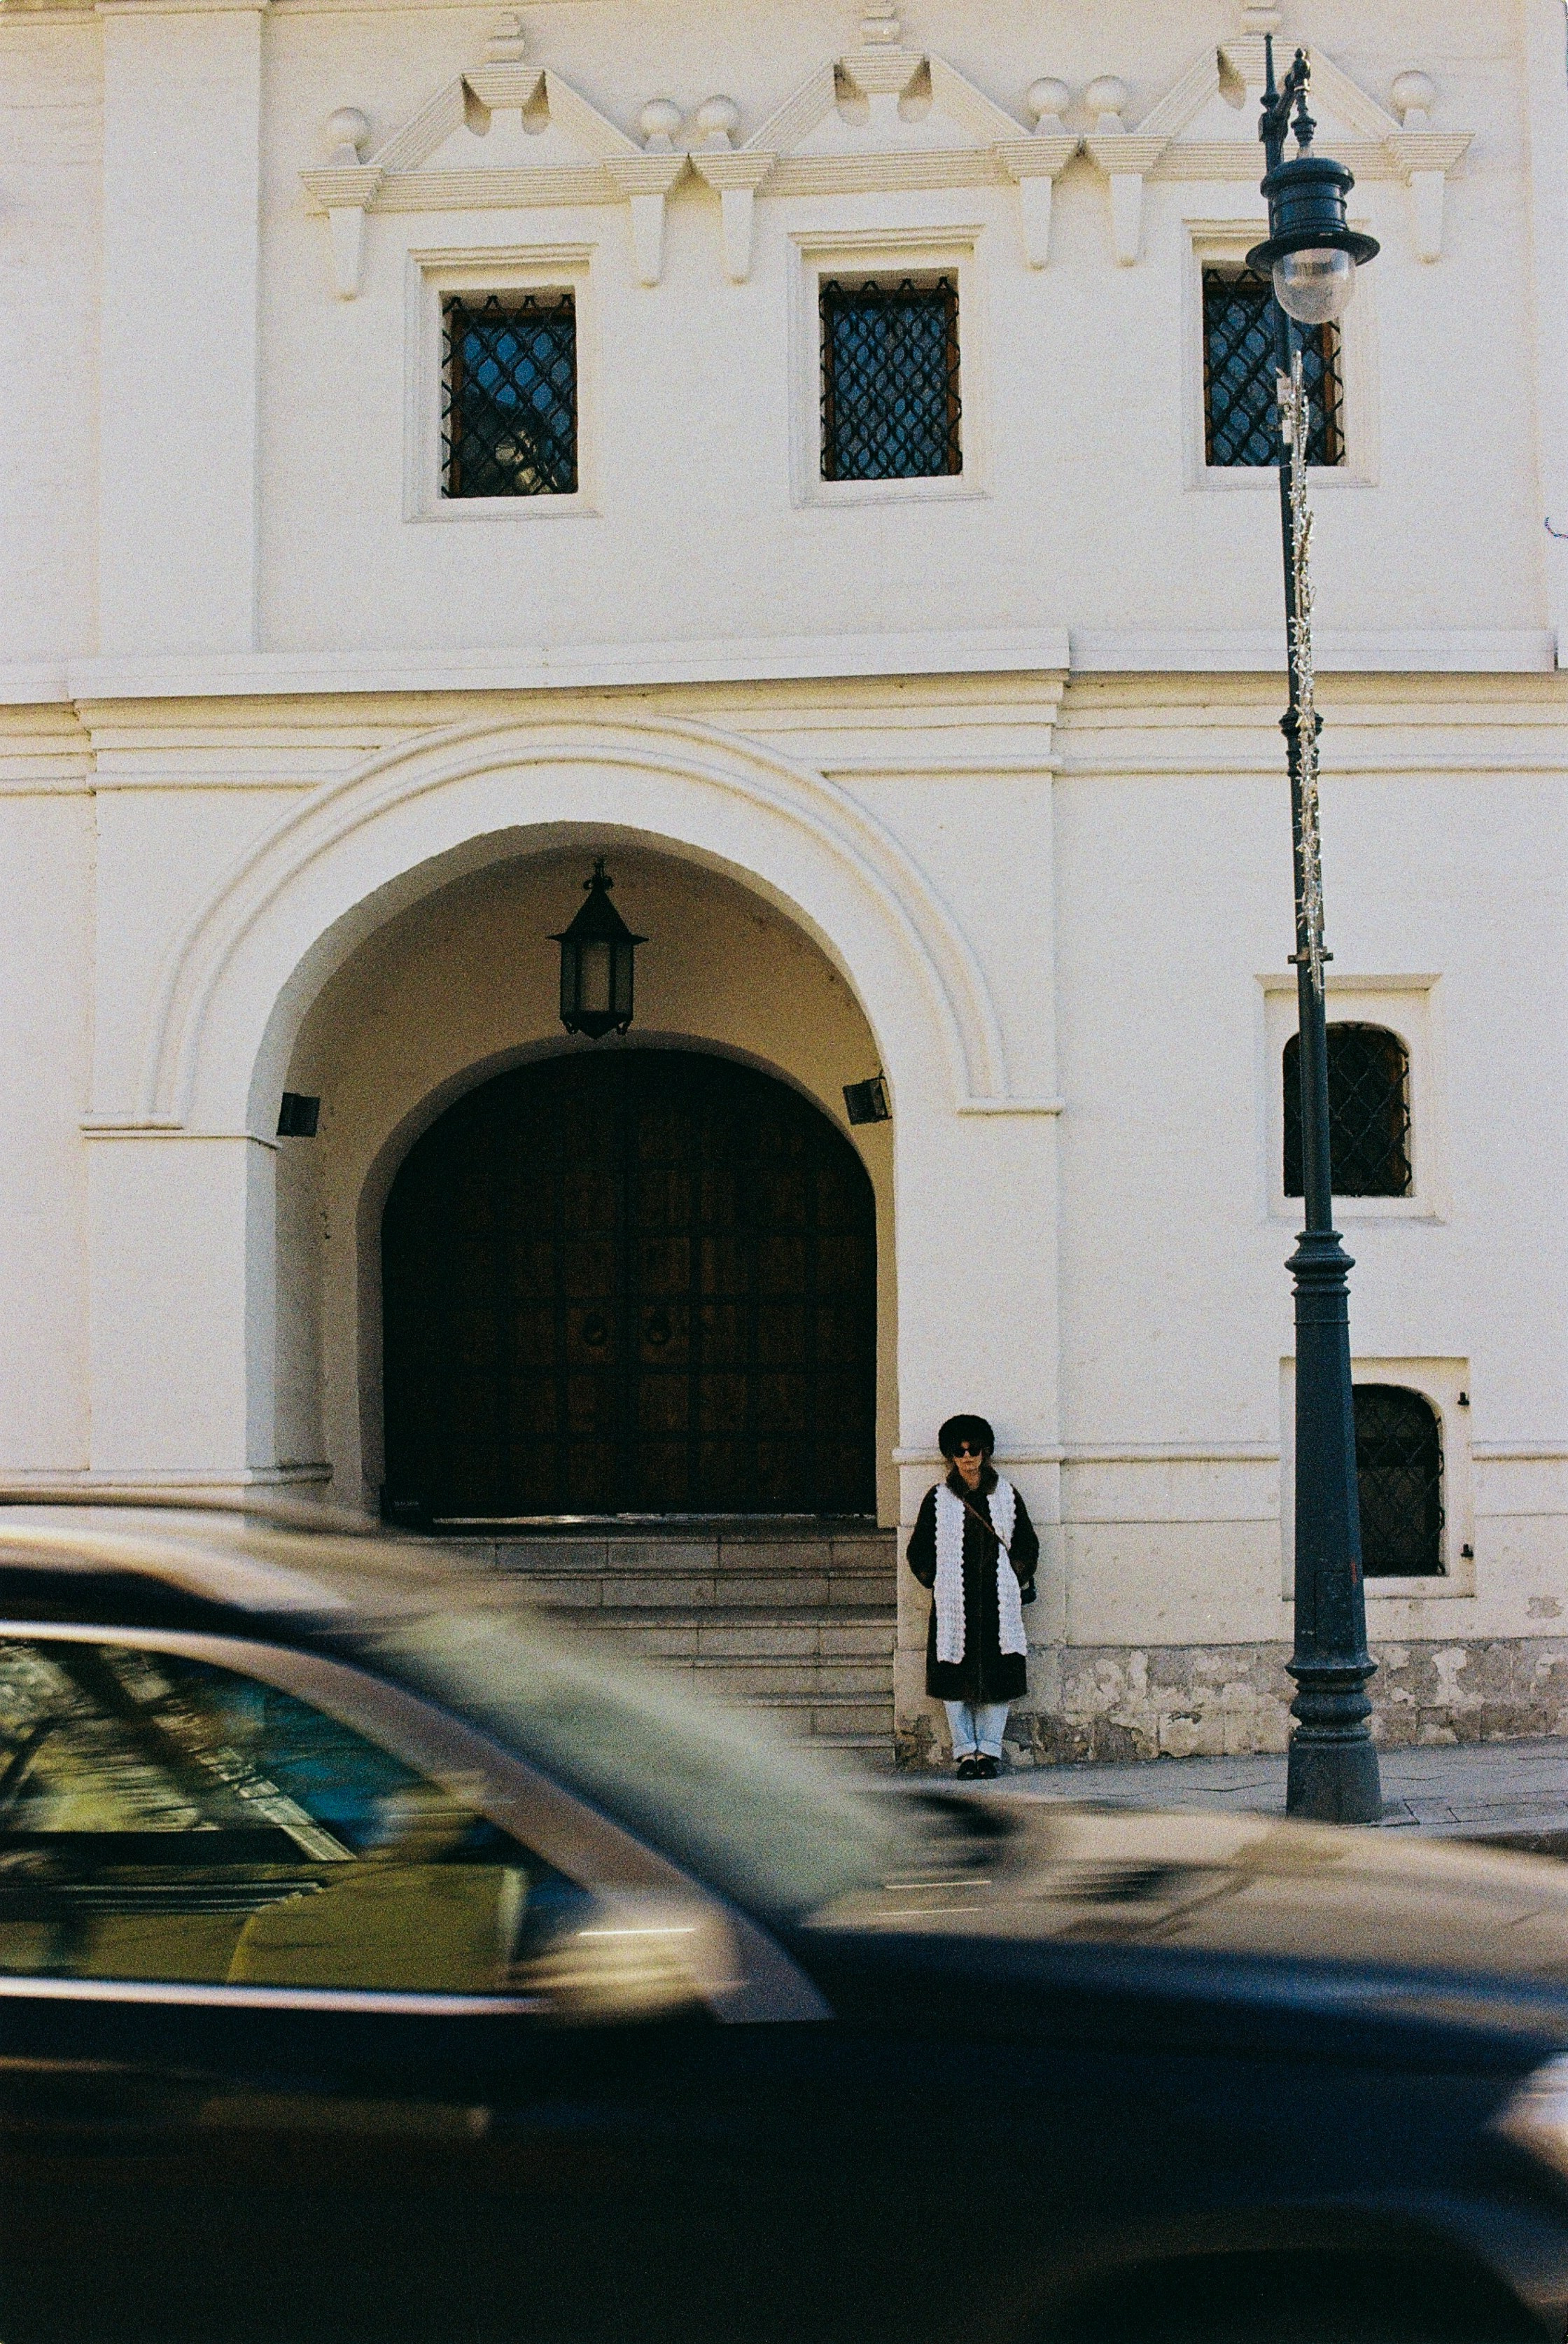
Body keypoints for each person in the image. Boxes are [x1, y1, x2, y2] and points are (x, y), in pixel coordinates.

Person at [905, 1414, 1039, 1779]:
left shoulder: (1006, 1495)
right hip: (955, 1603)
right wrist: (937, 1579)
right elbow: (919, 1548)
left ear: (985, 1452)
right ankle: (966, 1753)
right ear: (951, 1456)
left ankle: (989, 1752)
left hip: (997, 1602)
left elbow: (1026, 1543)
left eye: (974, 1450)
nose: (967, 1458)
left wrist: (1015, 1576)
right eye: (960, 1452)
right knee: (955, 1677)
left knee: (998, 1678)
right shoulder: (938, 1498)